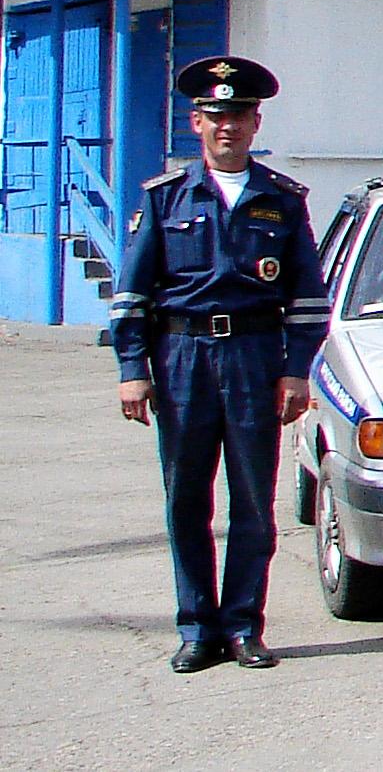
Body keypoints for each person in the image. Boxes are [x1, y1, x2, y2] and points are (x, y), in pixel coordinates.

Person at [109, 56, 328, 673]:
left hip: (255, 358)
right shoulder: (164, 198)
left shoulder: (281, 201)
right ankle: (196, 627)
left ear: (255, 123)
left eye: (237, 116)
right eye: (214, 116)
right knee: (186, 498)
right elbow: (133, 292)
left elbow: (308, 296)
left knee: (254, 501)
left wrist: (296, 369)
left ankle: (243, 627)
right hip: (181, 357)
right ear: (195, 123)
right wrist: (133, 366)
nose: (226, 127)